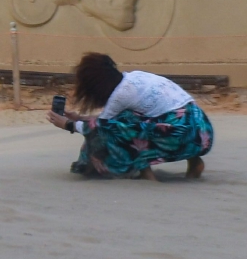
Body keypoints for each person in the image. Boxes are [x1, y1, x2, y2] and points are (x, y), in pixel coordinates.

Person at [47, 51, 213, 180]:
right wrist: (79, 117)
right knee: (131, 119)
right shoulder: (133, 78)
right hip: (201, 130)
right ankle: (194, 161)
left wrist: (68, 124)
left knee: (120, 127)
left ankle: (146, 173)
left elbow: (101, 127)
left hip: (180, 134)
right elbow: (107, 117)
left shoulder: (120, 95)